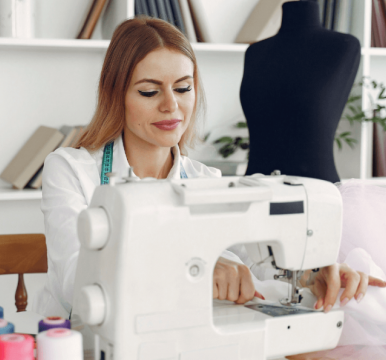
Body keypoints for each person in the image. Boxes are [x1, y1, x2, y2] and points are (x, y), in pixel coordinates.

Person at [33, 17, 385, 341]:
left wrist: (310, 275)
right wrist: (197, 266)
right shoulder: (70, 170)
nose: (171, 106)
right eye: (149, 91)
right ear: (116, 95)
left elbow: (257, 264)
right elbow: (74, 284)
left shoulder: (208, 182)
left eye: (183, 88)